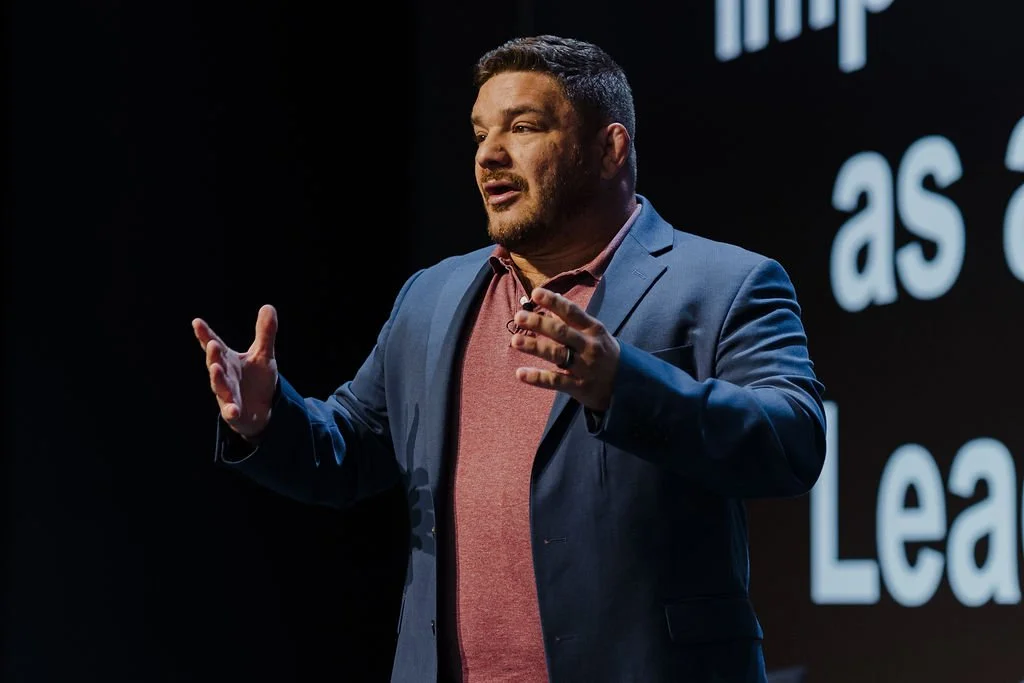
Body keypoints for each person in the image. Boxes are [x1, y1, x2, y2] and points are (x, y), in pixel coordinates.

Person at [193, 34, 826, 683]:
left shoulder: (725, 282)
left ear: (609, 150)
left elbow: (793, 439)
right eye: (480, 133)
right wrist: (269, 419)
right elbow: (350, 449)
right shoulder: (431, 296)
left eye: (522, 127)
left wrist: (624, 385)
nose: (489, 154)